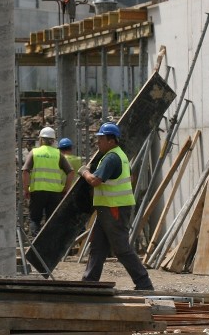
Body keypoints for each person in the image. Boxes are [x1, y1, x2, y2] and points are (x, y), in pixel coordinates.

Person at [76, 122, 154, 290]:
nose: (98, 142)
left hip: (114, 209)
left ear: (111, 141)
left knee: (121, 248)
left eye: (101, 139)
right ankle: (89, 283)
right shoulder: (119, 155)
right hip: (109, 208)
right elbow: (130, 178)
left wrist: (84, 171)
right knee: (97, 247)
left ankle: (144, 283)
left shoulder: (111, 157)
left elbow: (95, 181)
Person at [22, 126, 75, 237]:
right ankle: (50, 246)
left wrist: (26, 189)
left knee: (35, 219)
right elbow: (71, 172)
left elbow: (25, 171)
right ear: (53, 140)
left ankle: (36, 246)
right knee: (51, 221)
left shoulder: (34, 152)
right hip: (55, 193)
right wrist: (66, 188)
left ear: (40, 139)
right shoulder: (57, 154)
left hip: (37, 192)